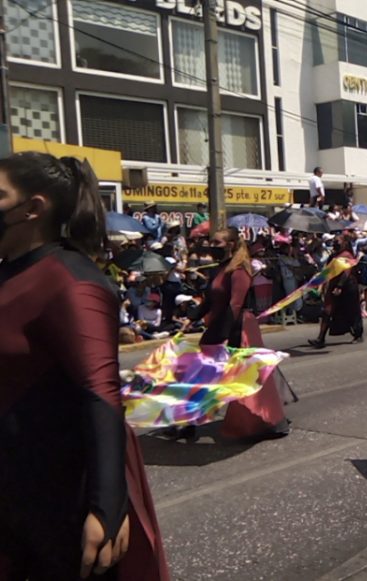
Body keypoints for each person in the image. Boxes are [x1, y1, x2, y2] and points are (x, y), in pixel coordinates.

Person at [0, 152, 168, 578]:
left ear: (32, 208)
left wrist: (106, 506)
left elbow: (101, 393)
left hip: (52, 498)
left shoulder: (72, 282)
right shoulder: (10, 273)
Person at [190, 227, 289, 441]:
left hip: (238, 329)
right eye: (211, 242)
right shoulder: (219, 269)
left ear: (231, 244)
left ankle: (256, 421)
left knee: (241, 379)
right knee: (203, 374)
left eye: (217, 243)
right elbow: (209, 300)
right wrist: (190, 319)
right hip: (219, 326)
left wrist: (222, 336)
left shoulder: (240, 270)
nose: (211, 246)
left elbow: (235, 305)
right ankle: (189, 421)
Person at [309, 235, 364, 348]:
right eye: (334, 241)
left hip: (347, 286)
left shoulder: (347, 255)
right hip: (333, 286)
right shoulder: (333, 256)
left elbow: (346, 272)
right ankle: (321, 339)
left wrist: (339, 286)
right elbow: (327, 271)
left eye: (337, 241)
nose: (335, 243)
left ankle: (358, 334)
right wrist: (321, 284)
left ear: (344, 242)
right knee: (327, 312)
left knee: (351, 311)